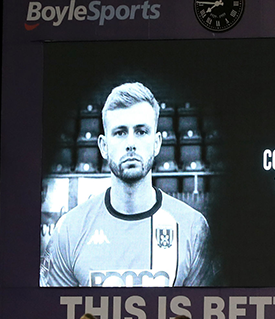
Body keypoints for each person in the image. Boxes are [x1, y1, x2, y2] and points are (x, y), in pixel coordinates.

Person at [40, 82, 213, 288]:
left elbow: (204, 315)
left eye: (141, 131)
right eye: (120, 132)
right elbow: (53, 315)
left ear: (157, 143)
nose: (131, 143)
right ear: (103, 147)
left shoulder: (192, 228)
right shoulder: (69, 231)